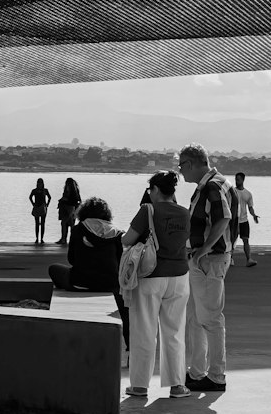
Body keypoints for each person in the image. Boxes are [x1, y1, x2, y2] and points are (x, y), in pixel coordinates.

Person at [121, 170, 191, 400]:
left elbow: (127, 240)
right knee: (174, 332)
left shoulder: (148, 210)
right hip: (180, 276)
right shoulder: (185, 212)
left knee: (144, 330)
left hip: (151, 276)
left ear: (156, 190)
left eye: (151, 190)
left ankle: (140, 386)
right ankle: (177, 385)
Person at [178, 143, 233, 392]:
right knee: (198, 318)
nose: (180, 172)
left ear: (191, 163)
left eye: (182, 166)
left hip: (209, 260)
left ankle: (216, 375)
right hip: (207, 259)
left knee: (209, 318)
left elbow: (224, 217)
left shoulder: (211, 185)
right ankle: (199, 372)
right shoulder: (218, 182)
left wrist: (204, 249)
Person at [48, 196, 130, 347]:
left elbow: (72, 259)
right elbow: (119, 262)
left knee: (53, 269)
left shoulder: (78, 229)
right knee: (126, 310)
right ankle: (131, 347)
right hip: (110, 284)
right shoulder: (117, 233)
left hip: (81, 282)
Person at [231, 170, 260, 267]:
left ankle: (249, 259)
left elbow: (250, 207)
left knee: (246, 240)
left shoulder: (248, 194)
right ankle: (229, 259)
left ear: (243, 180)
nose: (236, 181)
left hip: (244, 221)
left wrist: (254, 215)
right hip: (234, 220)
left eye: (238, 180)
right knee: (232, 240)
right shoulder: (232, 192)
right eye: (236, 180)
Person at [57, 177, 81, 244]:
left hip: (68, 208)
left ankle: (64, 239)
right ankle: (70, 239)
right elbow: (78, 200)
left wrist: (63, 200)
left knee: (65, 223)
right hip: (72, 208)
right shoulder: (75, 190)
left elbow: (69, 199)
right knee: (70, 224)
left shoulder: (69, 190)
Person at [29, 178, 51, 245]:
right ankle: (36, 238)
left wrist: (47, 205)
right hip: (37, 207)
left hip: (43, 207)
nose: (39, 184)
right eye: (38, 183)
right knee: (37, 223)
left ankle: (41, 238)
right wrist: (33, 204)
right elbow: (30, 197)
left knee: (43, 223)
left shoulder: (45, 190)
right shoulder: (34, 191)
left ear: (43, 184)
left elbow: (50, 197)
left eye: (41, 183)